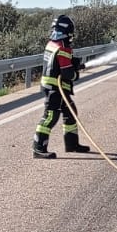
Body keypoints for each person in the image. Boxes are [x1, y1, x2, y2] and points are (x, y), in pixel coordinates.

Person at [32, 15, 91, 158]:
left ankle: (72, 144)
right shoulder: (63, 47)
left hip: (53, 86)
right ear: (69, 31)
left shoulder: (52, 43)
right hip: (55, 89)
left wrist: (74, 63)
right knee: (50, 116)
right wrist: (76, 74)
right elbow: (67, 73)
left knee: (70, 113)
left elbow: (58, 63)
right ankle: (38, 148)